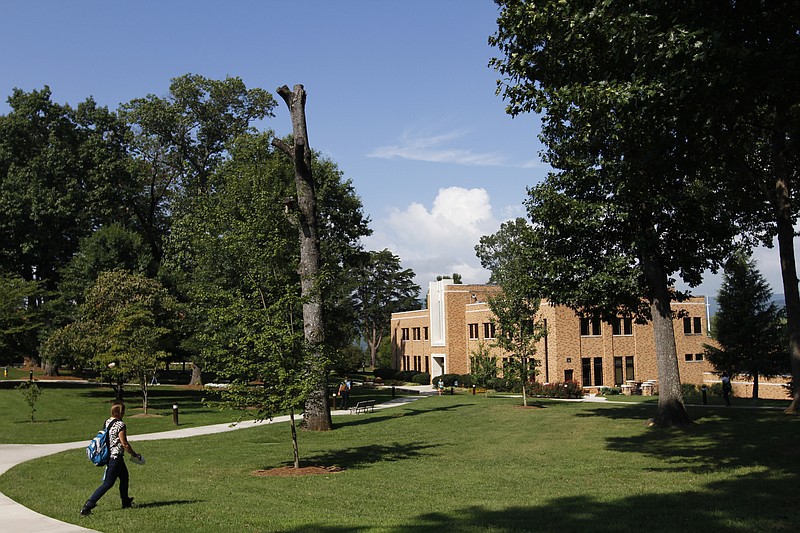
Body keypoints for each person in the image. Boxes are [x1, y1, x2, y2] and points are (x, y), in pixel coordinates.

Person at [80, 402, 142, 516]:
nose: (124, 413)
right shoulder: (120, 425)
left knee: (124, 477)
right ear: (119, 412)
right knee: (107, 484)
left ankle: (126, 501)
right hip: (116, 458)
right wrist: (134, 455)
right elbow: (124, 443)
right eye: (123, 411)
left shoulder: (107, 421)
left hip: (110, 456)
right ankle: (88, 506)